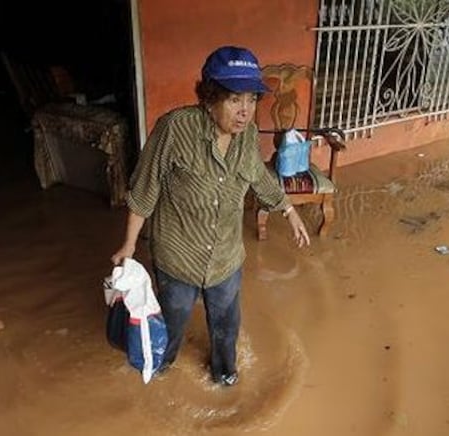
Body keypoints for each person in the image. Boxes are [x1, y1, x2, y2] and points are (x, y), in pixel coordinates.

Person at [111, 46, 310, 386]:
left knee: (226, 325)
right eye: (234, 99)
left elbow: (256, 174)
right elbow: (145, 188)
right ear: (209, 97)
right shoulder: (175, 129)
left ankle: (225, 376)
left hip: (226, 255)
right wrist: (128, 245)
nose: (245, 111)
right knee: (172, 320)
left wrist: (288, 208)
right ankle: (159, 369)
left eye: (251, 99)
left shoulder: (246, 133)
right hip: (179, 255)